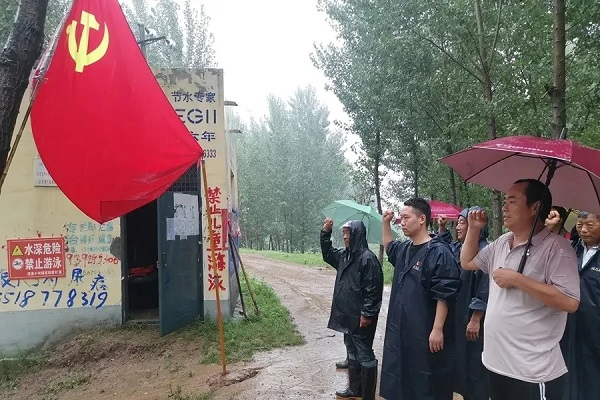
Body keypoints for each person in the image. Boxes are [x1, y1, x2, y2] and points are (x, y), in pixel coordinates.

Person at [460, 179, 580, 400]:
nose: (504, 207)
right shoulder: (502, 242)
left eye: (512, 201)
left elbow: (570, 301)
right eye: (505, 201)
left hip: (531, 371)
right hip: (495, 362)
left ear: (535, 207)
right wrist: (474, 229)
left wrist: (518, 279)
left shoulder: (557, 248)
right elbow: (467, 262)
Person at [380, 198, 462, 400]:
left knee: (426, 380)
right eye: (401, 218)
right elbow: (389, 245)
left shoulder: (439, 252)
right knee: (401, 376)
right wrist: (386, 223)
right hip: (402, 329)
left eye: (406, 217)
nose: (402, 222)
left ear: (422, 219)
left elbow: (444, 293)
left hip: (425, 330)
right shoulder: (404, 249)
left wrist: (438, 328)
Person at [321, 218, 384, 400]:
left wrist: (367, 313)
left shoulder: (368, 259)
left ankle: (368, 396)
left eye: (348, 233)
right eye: (343, 233)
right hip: (347, 316)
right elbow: (327, 254)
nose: (345, 237)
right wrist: (325, 232)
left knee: (365, 354)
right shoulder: (344, 255)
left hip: (361, 317)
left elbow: (373, 290)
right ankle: (355, 389)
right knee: (351, 351)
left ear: (357, 234)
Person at [438, 207, 490, 400]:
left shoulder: (483, 250)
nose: (458, 227)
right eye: (458, 222)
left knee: (474, 365)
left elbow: (485, 287)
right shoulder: (460, 248)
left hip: (473, 319)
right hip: (459, 314)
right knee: (459, 361)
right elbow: (447, 248)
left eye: (462, 223)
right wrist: (442, 229)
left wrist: (476, 317)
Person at [561, 211, 600, 400]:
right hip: (569, 323)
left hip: (595, 327)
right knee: (569, 371)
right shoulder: (571, 250)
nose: (583, 230)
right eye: (579, 225)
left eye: (589, 225)